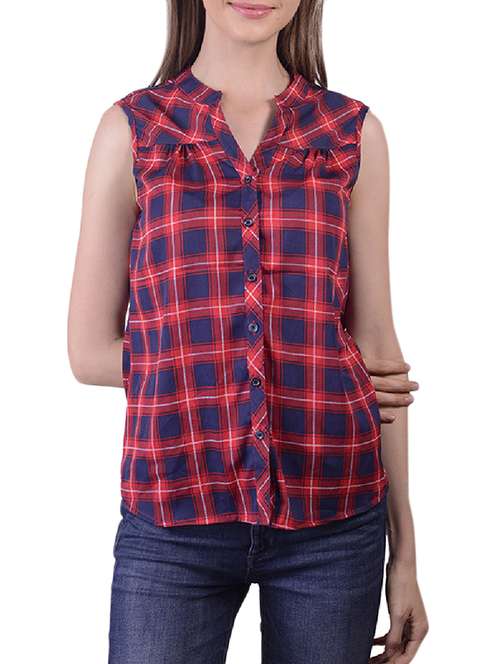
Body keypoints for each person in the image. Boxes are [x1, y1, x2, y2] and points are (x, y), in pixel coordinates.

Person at [67, 1, 428, 662]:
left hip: (334, 516)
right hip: (174, 511)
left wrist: (404, 555)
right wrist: (231, 357)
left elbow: (377, 349)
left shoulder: (351, 134)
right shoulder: (135, 130)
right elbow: (89, 352)